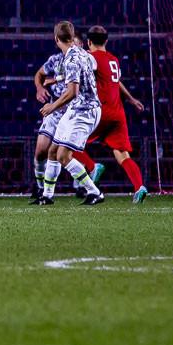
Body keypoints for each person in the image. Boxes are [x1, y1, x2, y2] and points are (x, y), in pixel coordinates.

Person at [72, 25, 148, 203]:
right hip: (117, 113)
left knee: (68, 144)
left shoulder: (90, 58)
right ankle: (139, 187)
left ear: (89, 42)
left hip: (99, 111)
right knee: (122, 154)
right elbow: (116, 81)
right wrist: (130, 99)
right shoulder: (114, 60)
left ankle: (92, 167)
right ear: (106, 41)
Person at [34, 21, 104, 206]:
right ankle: (47, 196)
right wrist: (56, 78)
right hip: (77, 108)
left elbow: (72, 92)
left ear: (56, 39)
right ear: (72, 38)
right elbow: (92, 68)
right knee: (52, 151)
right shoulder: (82, 53)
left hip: (85, 110)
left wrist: (52, 106)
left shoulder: (70, 59)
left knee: (63, 156)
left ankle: (94, 192)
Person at [32, 34, 89, 199]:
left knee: (71, 151)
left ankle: (81, 186)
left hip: (75, 111)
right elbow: (39, 75)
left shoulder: (84, 61)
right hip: (55, 111)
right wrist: (39, 88)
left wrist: (55, 79)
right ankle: (40, 187)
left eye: (77, 45)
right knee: (41, 150)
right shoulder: (55, 60)